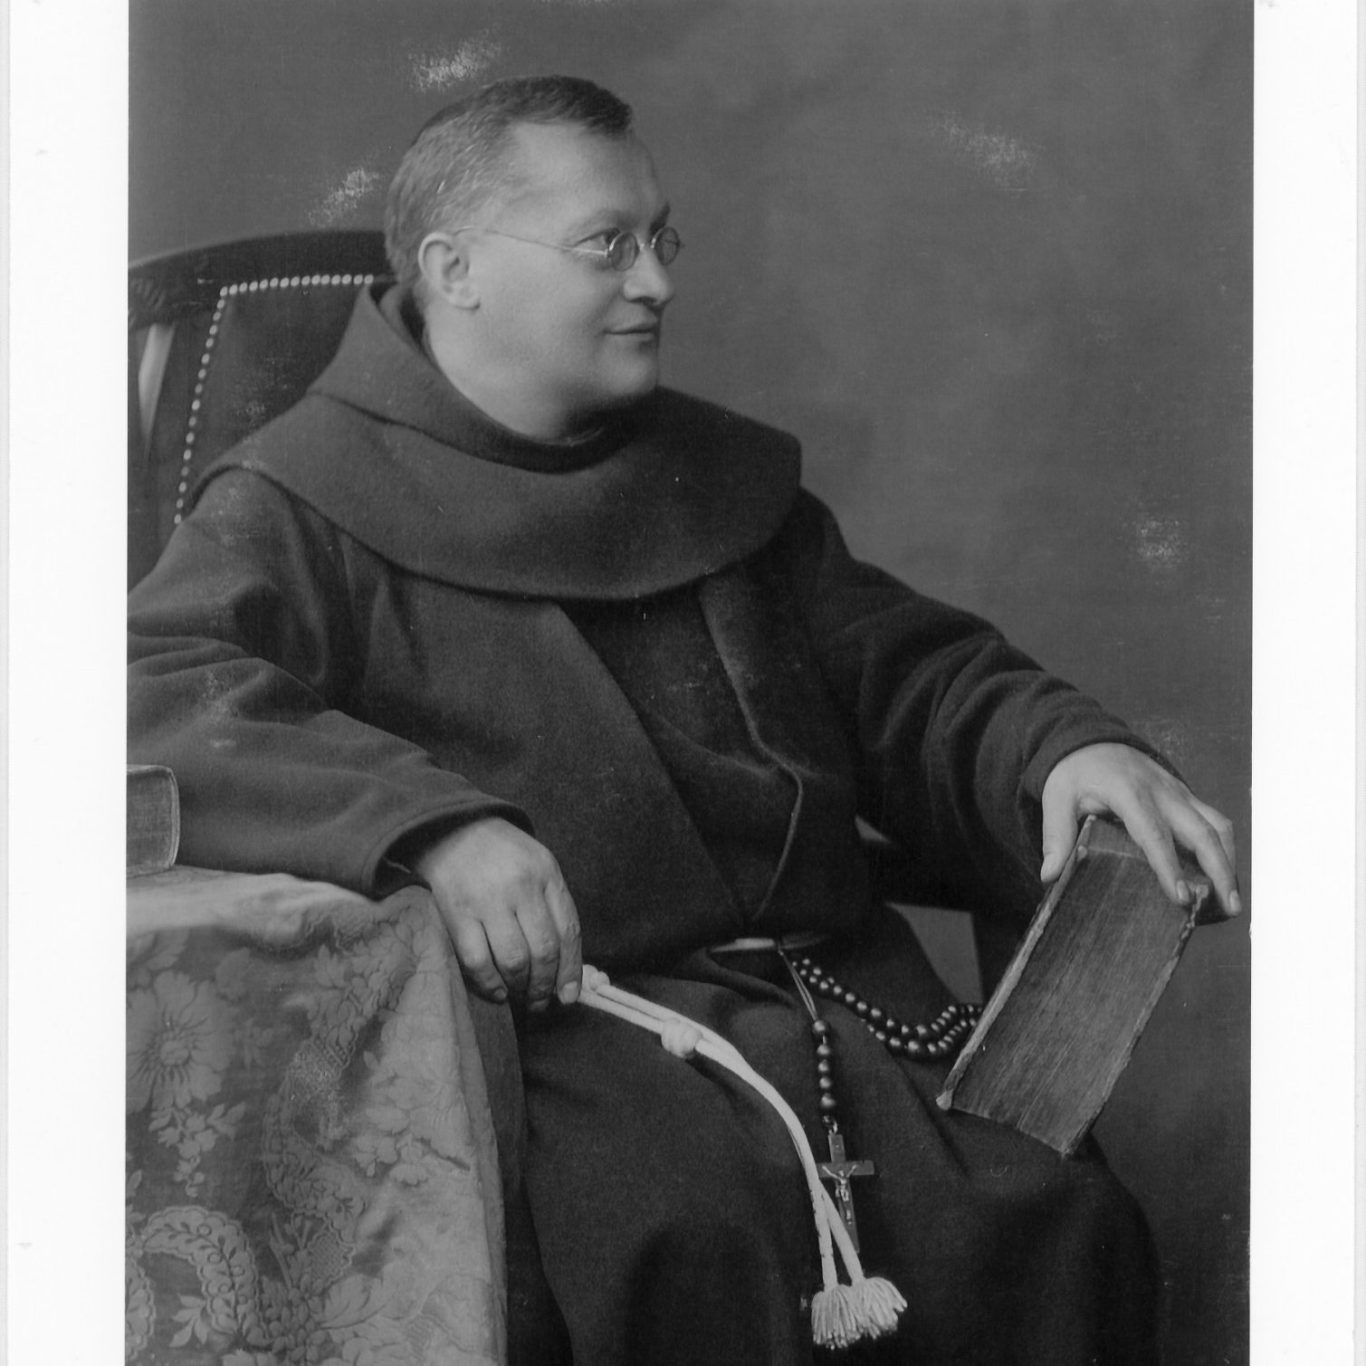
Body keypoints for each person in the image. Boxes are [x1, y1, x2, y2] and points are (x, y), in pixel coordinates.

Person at [128, 75, 1239, 1365]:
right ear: (454, 269)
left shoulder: (718, 480)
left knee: (1052, 1217)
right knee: (685, 1245)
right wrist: (429, 827)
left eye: (661, 238)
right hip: (560, 1046)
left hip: (838, 1012)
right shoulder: (298, 497)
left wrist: (1062, 746)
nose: (655, 282)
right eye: (607, 244)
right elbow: (152, 686)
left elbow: (909, 675)